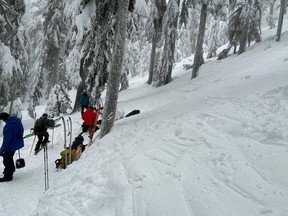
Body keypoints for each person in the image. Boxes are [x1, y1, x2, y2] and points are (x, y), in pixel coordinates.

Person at [0, 112, 24, 182]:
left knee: (7, 160)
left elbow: (7, 139)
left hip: (11, 145)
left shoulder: (9, 126)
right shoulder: (16, 120)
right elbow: (21, 130)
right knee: (9, 157)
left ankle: (8, 176)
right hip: (17, 142)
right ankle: (11, 170)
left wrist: (2, 149)